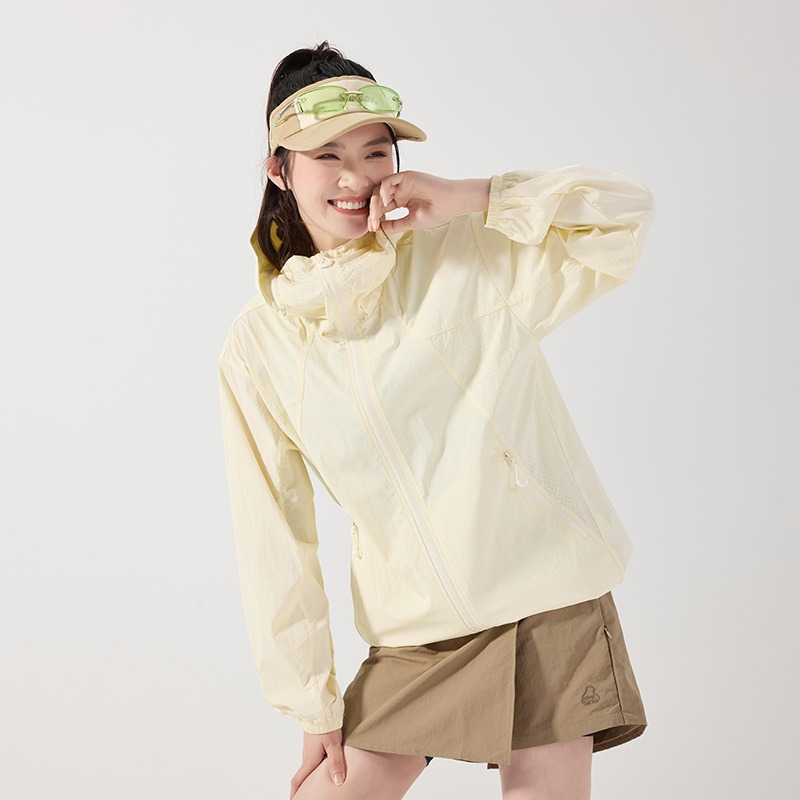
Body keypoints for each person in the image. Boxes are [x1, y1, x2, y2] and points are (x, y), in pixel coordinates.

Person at [217, 41, 655, 800]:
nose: (356, 178)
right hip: (416, 636)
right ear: (279, 170)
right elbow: (275, 535)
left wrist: (473, 197)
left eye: (375, 152)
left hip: (548, 597)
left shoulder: (467, 256)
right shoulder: (259, 347)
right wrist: (311, 702)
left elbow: (623, 216)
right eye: (327, 156)